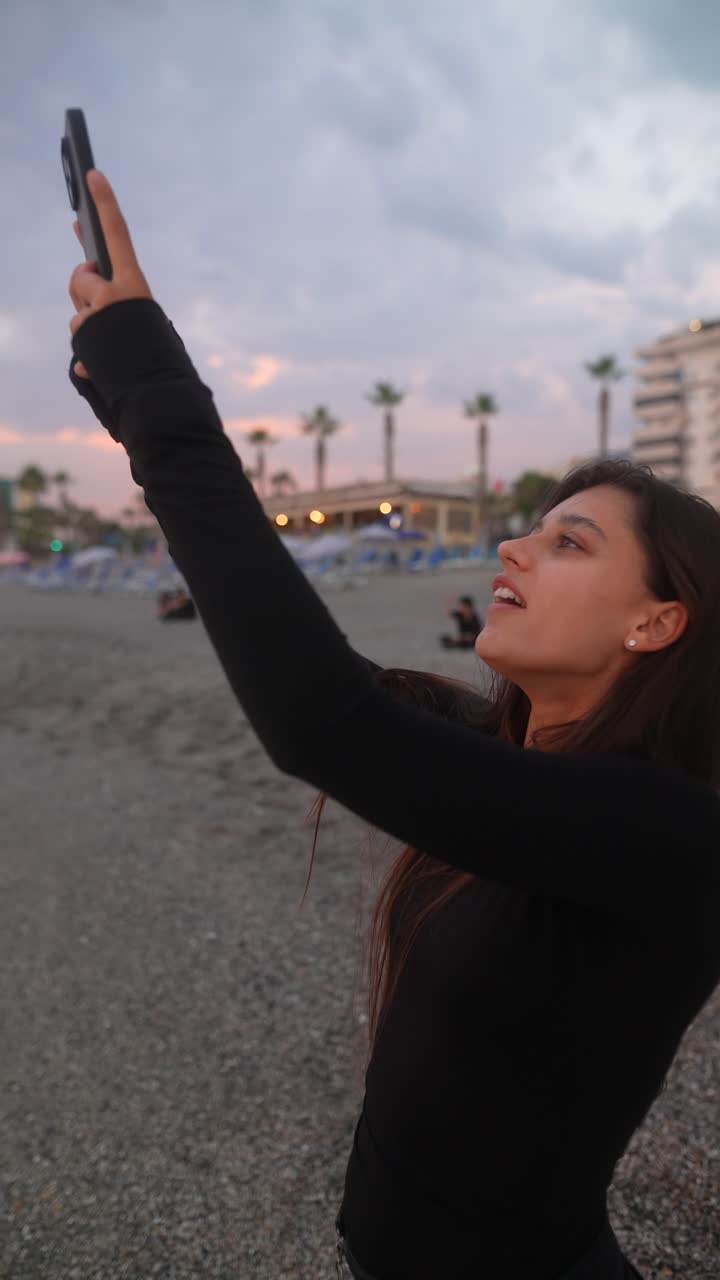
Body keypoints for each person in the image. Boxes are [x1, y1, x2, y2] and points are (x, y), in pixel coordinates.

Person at [65, 172, 720, 1280]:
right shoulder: (514, 757)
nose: (514, 549)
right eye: (531, 529)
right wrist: (136, 419)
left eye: (569, 544)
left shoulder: (671, 834)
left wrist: (167, 413)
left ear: (661, 618)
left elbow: (328, 723)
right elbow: (323, 677)